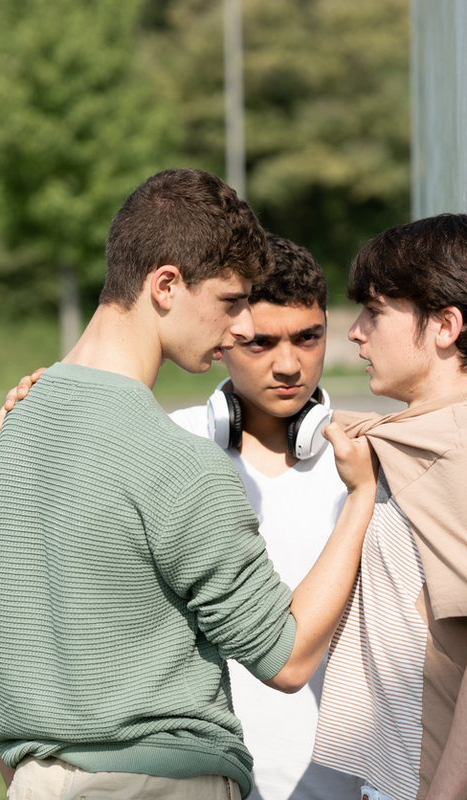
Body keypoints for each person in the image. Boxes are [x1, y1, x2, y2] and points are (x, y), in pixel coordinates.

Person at [0, 168, 377, 800]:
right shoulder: (179, 462)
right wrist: (362, 499)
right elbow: (287, 657)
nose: (240, 327)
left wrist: (30, 780)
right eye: (231, 302)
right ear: (165, 286)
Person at [310, 214, 467, 800]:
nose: (356, 332)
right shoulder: (425, 437)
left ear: (445, 326)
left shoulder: (464, 453)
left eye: (376, 311)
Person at [169, 234, 361, 800]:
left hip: (343, 783)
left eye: (308, 338)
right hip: (201, 779)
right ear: (223, 340)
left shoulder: (368, 463)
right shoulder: (170, 446)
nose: (288, 364)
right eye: (260, 343)